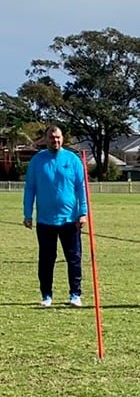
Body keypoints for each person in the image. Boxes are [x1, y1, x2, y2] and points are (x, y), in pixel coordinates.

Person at [22, 125, 88, 307]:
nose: (55, 140)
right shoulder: (37, 161)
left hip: (70, 220)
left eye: (58, 137)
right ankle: (46, 296)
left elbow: (81, 189)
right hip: (45, 220)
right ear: (46, 139)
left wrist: (83, 213)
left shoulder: (73, 160)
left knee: (74, 258)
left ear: (63, 139)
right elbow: (30, 189)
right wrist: (27, 213)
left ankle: (75, 294)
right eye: (51, 137)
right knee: (46, 259)